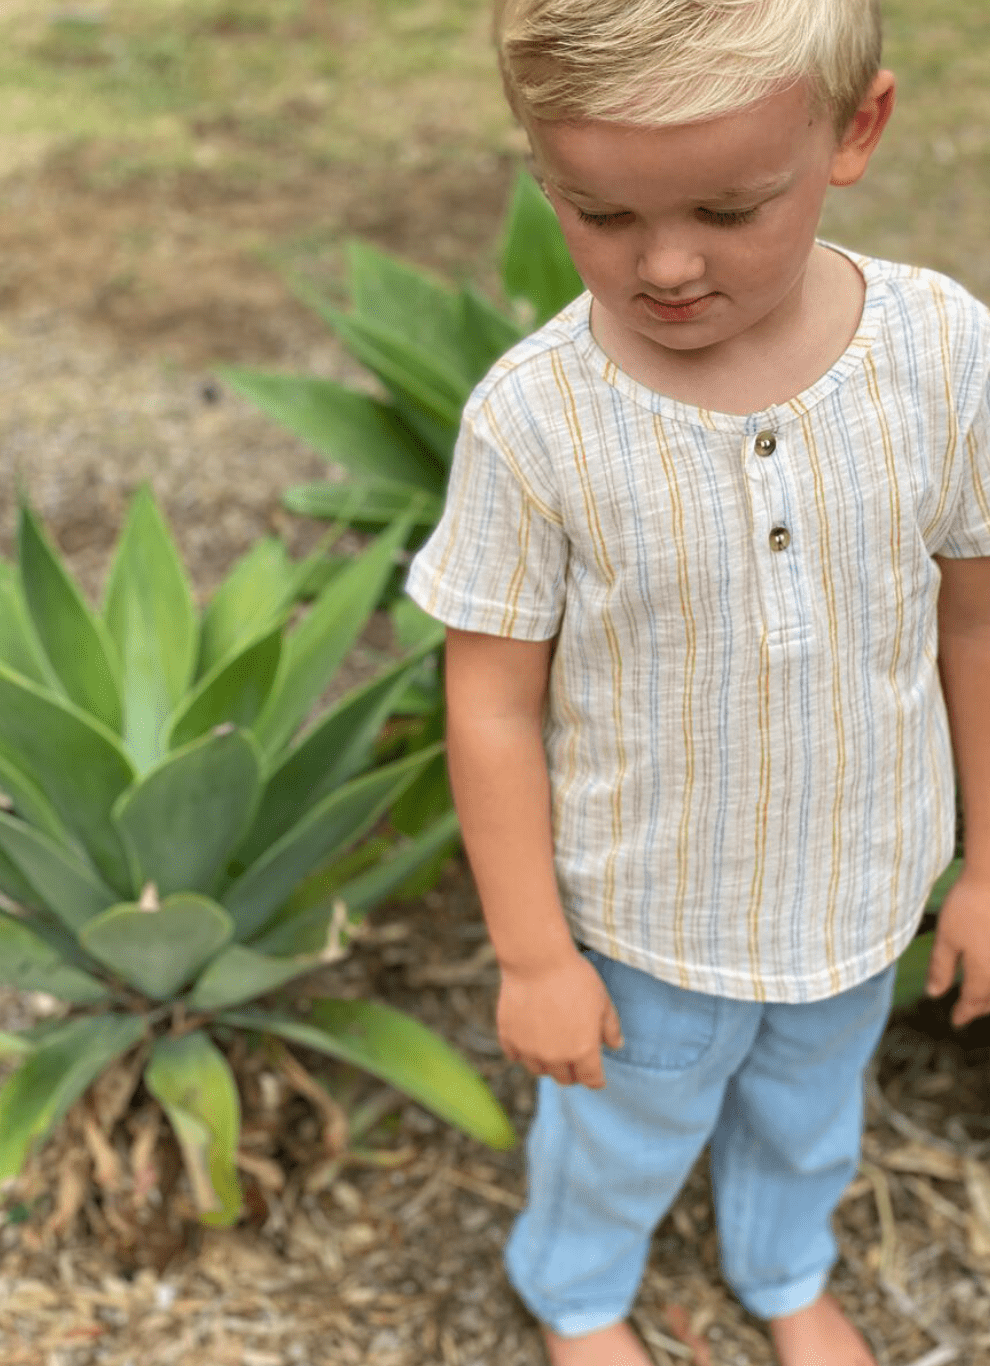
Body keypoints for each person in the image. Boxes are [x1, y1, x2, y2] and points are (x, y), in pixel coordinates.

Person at [405, 2, 990, 1362]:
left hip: (860, 895)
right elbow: (487, 701)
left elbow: (974, 625)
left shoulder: (940, 354)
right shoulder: (534, 418)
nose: (663, 264)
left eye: (731, 208)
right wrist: (535, 955)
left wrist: (980, 864)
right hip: (647, 920)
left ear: (853, 132)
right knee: (620, 1129)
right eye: (596, 214)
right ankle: (579, 1292)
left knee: (809, 1115)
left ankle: (783, 1266)